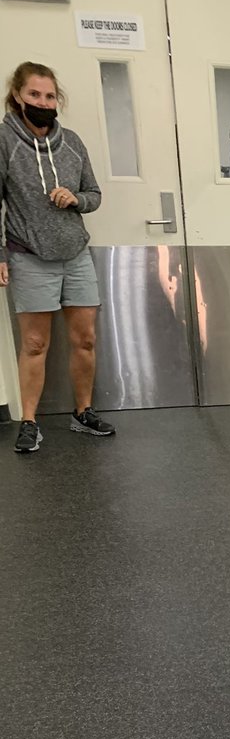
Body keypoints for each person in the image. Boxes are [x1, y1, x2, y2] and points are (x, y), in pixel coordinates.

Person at [0, 61, 115, 454]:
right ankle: (29, 422)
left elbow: (95, 195)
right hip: (29, 257)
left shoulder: (73, 143)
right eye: (34, 94)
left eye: (49, 96)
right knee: (34, 344)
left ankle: (83, 413)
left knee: (85, 339)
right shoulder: (4, 141)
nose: (42, 102)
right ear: (18, 96)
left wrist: (76, 198)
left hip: (76, 255)